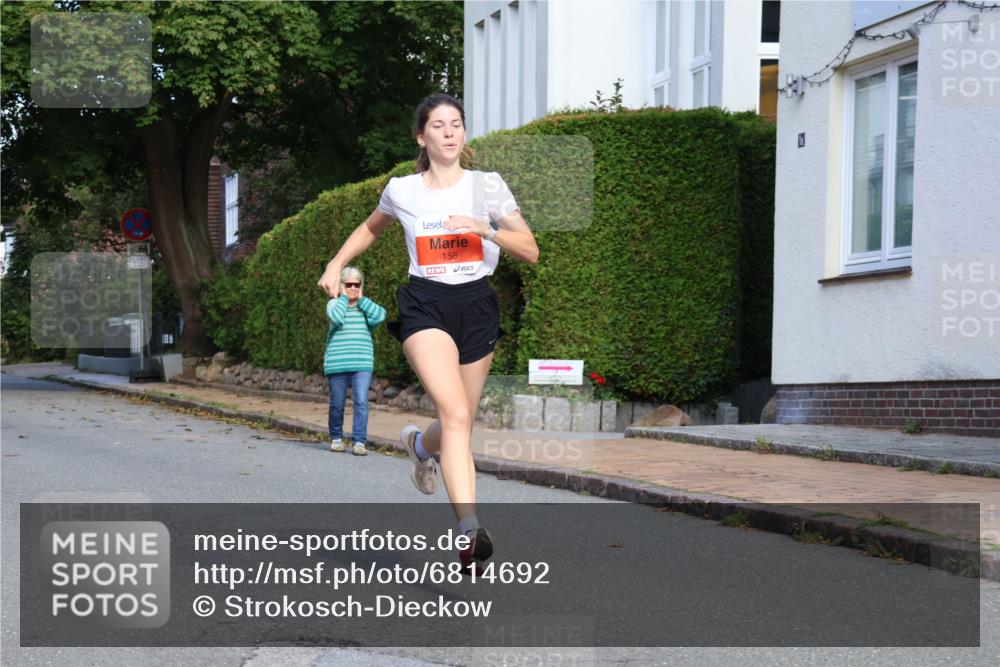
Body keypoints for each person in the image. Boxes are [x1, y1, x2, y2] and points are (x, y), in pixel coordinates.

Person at [317, 93, 539, 574]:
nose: (449, 132)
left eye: (456, 124)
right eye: (438, 125)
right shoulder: (403, 190)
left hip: (476, 305)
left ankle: (420, 447)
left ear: (464, 133)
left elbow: (530, 249)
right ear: (421, 137)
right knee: (455, 413)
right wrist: (336, 263)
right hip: (425, 304)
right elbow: (371, 228)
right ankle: (469, 532)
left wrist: (484, 229)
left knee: (460, 421)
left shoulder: (487, 185)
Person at [324, 266, 386, 457]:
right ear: (341, 285)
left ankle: (359, 441)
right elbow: (337, 318)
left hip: (362, 363)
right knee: (337, 404)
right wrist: (343, 297)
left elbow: (381, 315)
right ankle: (336, 438)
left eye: (356, 284)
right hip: (337, 363)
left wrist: (362, 299)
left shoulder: (365, 307)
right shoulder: (334, 304)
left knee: (361, 402)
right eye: (348, 284)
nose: (352, 288)